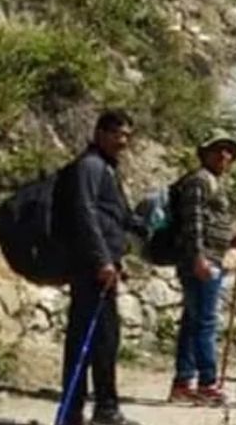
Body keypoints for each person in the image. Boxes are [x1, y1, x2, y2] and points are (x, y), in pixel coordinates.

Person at [56, 110, 140, 425]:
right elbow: (85, 215)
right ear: (100, 133)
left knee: (100, 337)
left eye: (128, 136)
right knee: (94, 338)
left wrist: (117, 256)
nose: (123, 142)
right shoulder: (90, 166)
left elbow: (110, 217)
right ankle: (93, 410)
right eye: (118, 134)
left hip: (100, 266)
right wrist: (102, 260)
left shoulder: (105, 168)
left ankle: (83, 410)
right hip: (91, 268)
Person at [169, 132, 236, 406]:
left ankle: (183, 383)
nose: (225, 156)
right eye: (219, 150)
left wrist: (231, 239)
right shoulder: (199, 181)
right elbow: (194, 223)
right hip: (201, 262)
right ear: (205, 153)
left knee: (193, 321)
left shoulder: (212, 183)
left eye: (229, 152)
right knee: (205, 321)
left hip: (207, 258)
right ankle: (207, 383)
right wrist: (199, 257)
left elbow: (210, 221)